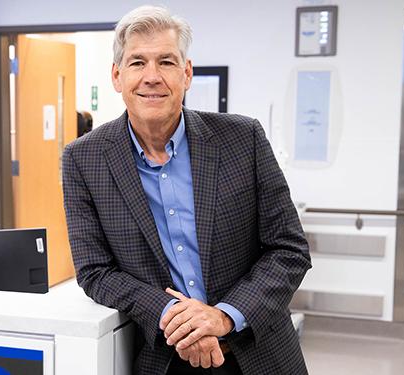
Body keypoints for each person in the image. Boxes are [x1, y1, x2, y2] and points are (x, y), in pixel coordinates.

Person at [61, 5, 311, 375]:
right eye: (137, 63)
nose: (152, 76)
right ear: (117, 76)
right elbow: (95, 270)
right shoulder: (84, 159)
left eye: (166, 61)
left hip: (260, 351)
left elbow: (288, 249)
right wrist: (175, 317)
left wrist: (224, 317)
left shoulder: (243, 139)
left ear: (187, 73)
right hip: (165, 357)